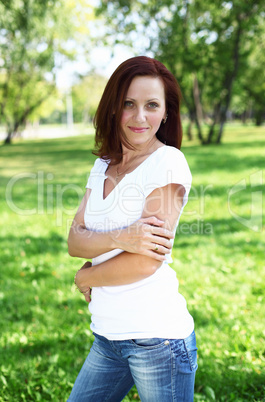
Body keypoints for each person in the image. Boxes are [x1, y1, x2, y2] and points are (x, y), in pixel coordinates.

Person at [67, 56, 197, 402]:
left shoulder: (167, 163)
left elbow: (145, 262)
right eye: (129, 104)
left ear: (166, 112)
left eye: (152, 105)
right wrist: (121, 238)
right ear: (113, 108)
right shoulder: (102, 165)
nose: (140, 117)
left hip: (158, 341)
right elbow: (74, 239)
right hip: (107, 336)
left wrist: (86, 278)